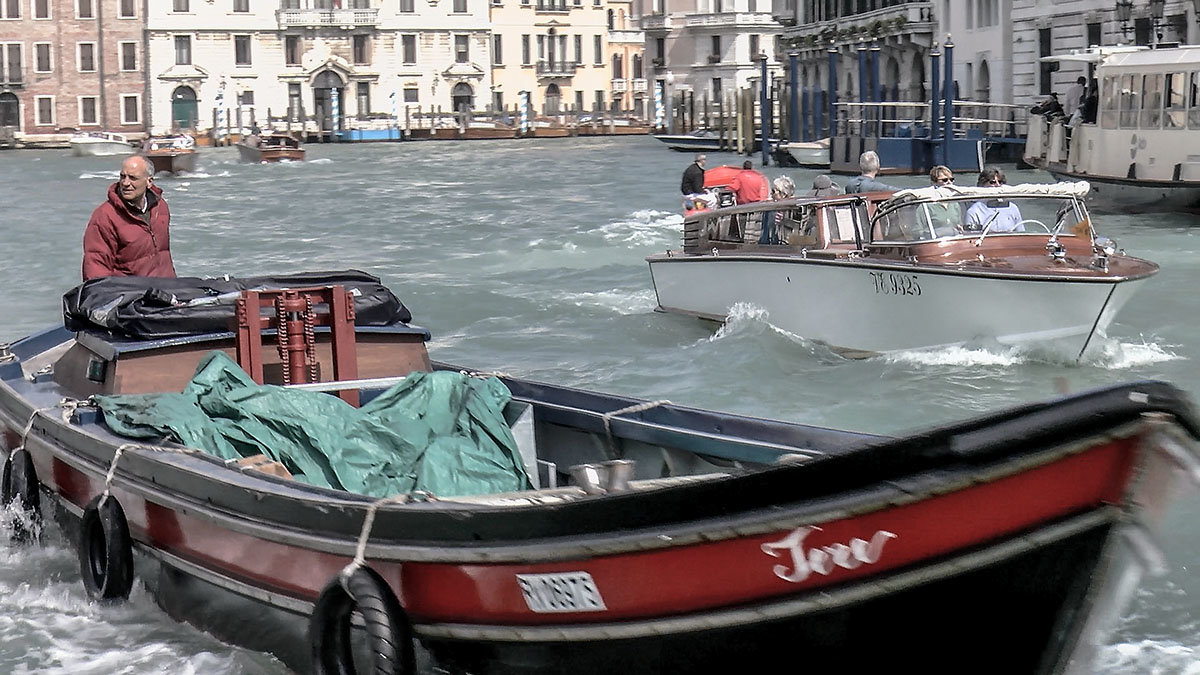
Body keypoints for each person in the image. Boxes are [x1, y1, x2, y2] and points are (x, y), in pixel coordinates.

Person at [82, 155, 177, 280]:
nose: (126, 183)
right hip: (131, 294)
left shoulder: (161, 207)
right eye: (123, 176)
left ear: (149, 182)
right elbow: (96, 266)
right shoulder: (105, 215)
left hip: (166, 289)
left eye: (133, 178)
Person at [964, 167, 1023, 233]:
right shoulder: (974, 211)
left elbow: (1020, 233)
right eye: (992, 182)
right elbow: (971, 237)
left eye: (1000, 182)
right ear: (982, 184)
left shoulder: (1013, 208)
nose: (998, 185)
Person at [926, 165, 962, 236]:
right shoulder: (927, 205)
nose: (949, 182)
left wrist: (960, 228)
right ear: (934, 183)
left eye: (951, 179)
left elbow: (959, 224)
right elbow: (917, 231)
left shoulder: (955, 204)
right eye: (945, 180)